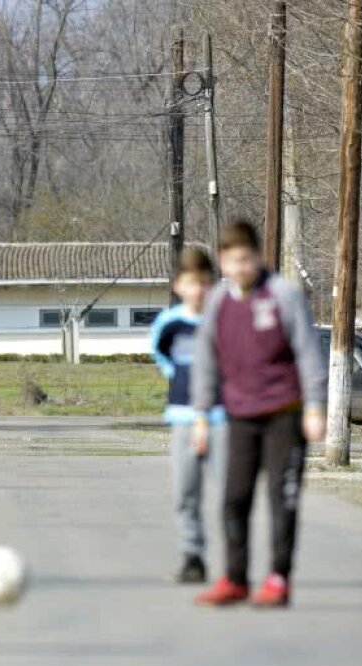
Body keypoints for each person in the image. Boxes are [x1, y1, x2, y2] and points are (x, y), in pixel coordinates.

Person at [191, 220, 327, 608]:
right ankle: (234, 578)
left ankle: (278, 578)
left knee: (281, 498)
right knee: (234, 497)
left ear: (258, 258)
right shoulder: (217, 301)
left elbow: (307, 350)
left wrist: (315, 406)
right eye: (233, 261)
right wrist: (202, 414)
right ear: (222, 262)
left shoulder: (283, 294)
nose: (241, 268)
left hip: (285, 411)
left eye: (247, 259)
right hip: (241, 416)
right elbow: (206, 361)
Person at [149, 248, 226, 584]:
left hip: (222, 419)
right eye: (191, 283)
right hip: (182, 417)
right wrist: (180, 380)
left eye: (204, 282)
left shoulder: (223, 320)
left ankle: (234, 562)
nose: (198, 290)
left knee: (228, 492)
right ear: (179, 285)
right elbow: (161, 354)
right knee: (186, 491)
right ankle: (192, 555)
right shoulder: (170, 323)